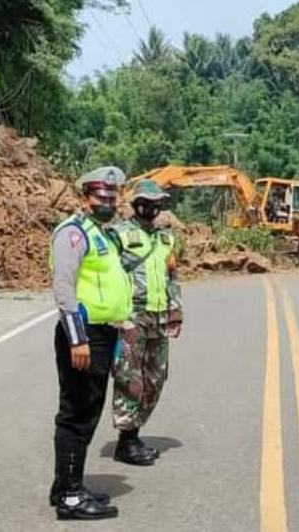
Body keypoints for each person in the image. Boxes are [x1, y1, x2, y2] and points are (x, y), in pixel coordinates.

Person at [48, 167, 132, 520]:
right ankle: (69, 496)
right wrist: (78, 338)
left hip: (103, 334)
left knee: (89, 409)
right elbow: (64, 288)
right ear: (86, 198)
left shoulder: (103, 234)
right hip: (83, 335)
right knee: (77, 414)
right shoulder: (73, 234)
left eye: (113, 198)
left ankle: (67, 485)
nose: (108, 203)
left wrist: (121, 324)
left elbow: (110, 284)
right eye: (101, 197)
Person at [108, 179, 184, 466]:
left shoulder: (166, 238)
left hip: (160, 317)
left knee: (155, 378)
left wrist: (176, 311)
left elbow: (172, 276)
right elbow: (108, 275)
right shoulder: (118, 234)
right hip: (131, 318)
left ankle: (135, 432)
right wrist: (115, 317)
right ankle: (126, 440)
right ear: (135, 203)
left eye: (156, 202)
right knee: (130, 378)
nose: (150, 207)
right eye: (145, 201)